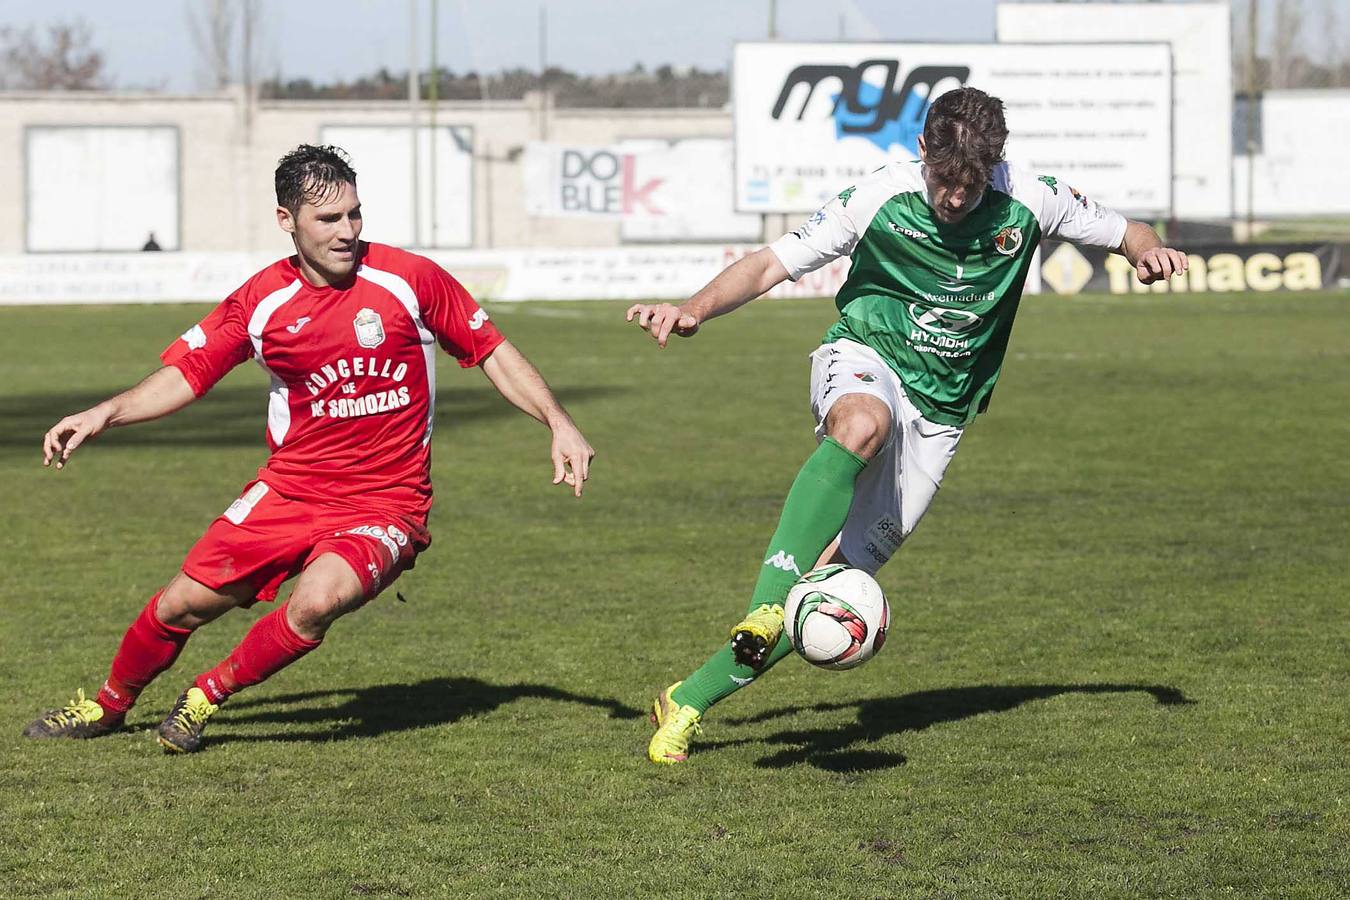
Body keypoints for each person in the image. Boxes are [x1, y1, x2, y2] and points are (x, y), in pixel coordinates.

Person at [628, 87, 1188, 765]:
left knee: (836, 592)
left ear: (996, 163)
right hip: (867, 358)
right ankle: (768, 600)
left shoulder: (1033, 197)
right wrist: (696, 308)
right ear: (922, 151)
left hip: (942, 417)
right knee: (863, 422)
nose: (954, 197)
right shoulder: (880, 195)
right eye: (943, 178)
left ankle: (687, 699)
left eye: (970, 181)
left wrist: (1148, 252)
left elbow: (1129, 230)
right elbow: (774, 261)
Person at [25, 144, 595, 753]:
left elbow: (493, 352)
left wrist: (557, 421)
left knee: (316, 602)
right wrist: (105, 412)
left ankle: (206, 694)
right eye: (328, 219)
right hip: (291, 490)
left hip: (387, 502)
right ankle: (106, 706)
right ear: (286, 220)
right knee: (181, 605)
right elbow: (189, 374)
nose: (347, 231)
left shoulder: (410, 280)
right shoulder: (262, 301)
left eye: (354, 214)